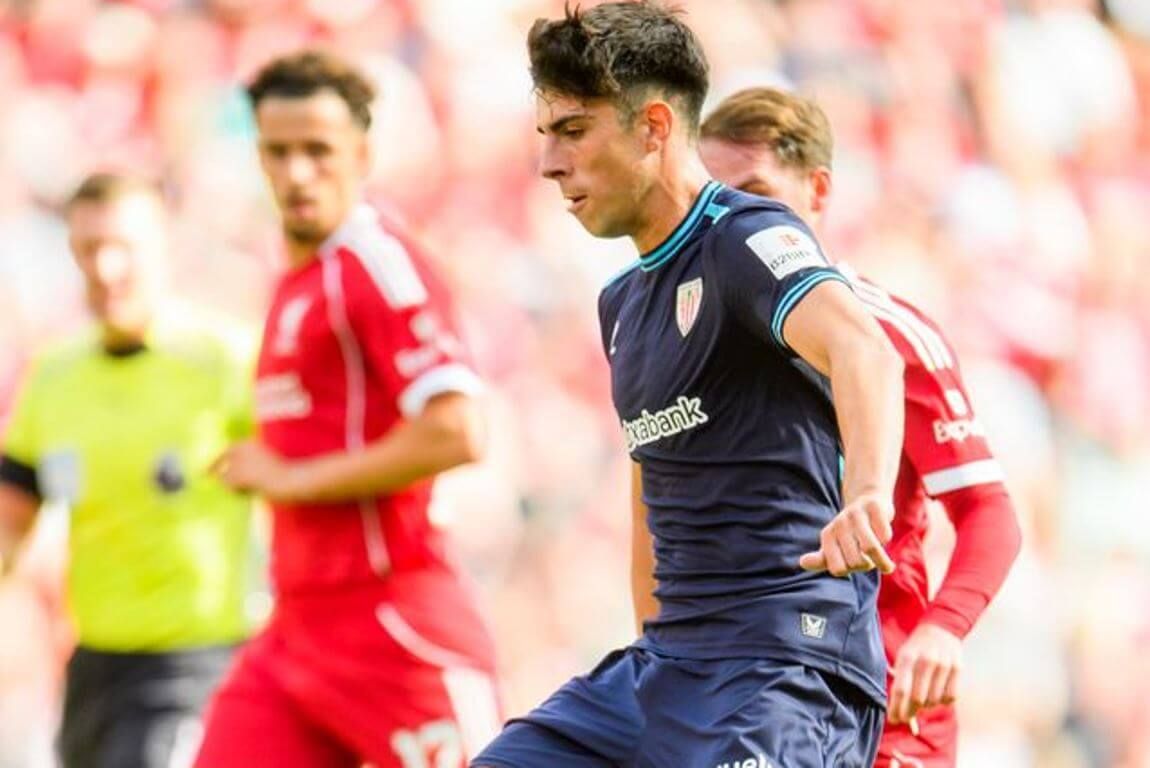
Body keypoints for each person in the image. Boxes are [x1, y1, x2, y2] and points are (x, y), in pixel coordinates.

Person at [474, 3, 906, 767]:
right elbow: (654, 487)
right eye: (545, 136)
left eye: (572, 131)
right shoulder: (623, 303)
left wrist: (869, 491)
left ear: (655, 128)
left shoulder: (743, 238)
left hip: (781, 664)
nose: (548, 163)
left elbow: (862, 349)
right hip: (667, 670)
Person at [699, 85, 1023, 768]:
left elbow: (987, 508)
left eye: (755, 193)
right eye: (716, 201)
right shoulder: (691, 345)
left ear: (818, 190)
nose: (734, 224)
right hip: (751, 705)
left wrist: (944, 629)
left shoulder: (891, 334)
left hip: (881, 708)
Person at [194, 50, 500, 768]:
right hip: (297, 625)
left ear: (361, 154)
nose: (297, 173)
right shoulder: (298, 278)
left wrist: (291, 478)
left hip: (391, 617)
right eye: (277, 152)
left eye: (318, 151)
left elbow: (459, 429)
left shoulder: (376, 261)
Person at [0, 171, 255, 768]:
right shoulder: (55, 375)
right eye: (88, 249)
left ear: (165, 248)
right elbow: (13, 513)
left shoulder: (227, 360)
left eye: (124, 248)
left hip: (199, 661)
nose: (106, 267)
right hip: (94, 664)